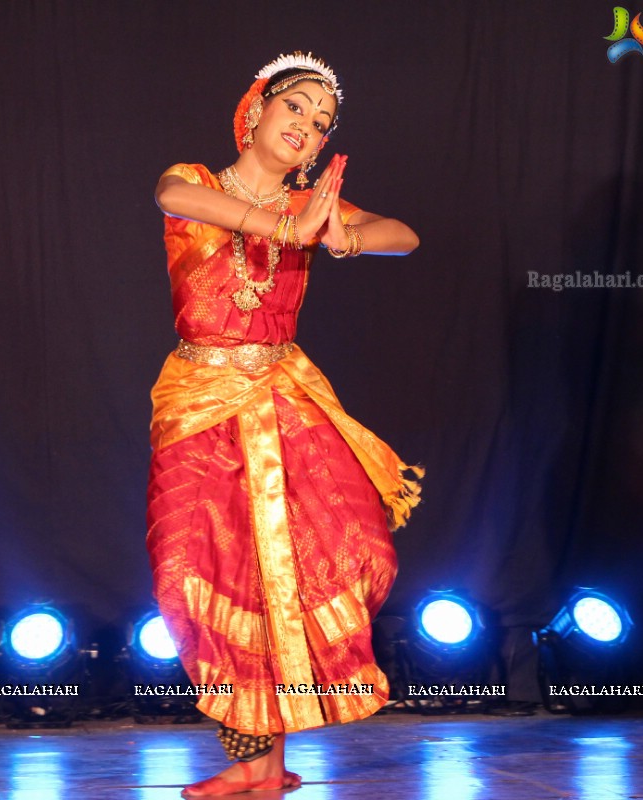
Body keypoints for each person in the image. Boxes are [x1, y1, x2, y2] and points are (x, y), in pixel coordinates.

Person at [146, 52, 422, 797]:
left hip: (282, 395)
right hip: (198, 398)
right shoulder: (194, 182)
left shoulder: (317, 205)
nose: (307, 126)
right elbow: (177, 198)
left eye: (322, 122)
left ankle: (267, 761)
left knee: (349, 554)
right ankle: (257, 763)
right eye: (296, 107)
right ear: (257, 108)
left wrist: (344, 235)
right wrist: (287, 226)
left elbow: (405, 235)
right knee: (194, 574)